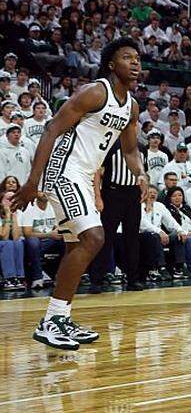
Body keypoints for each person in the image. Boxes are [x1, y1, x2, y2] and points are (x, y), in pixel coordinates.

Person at [10, 38, 146, 350]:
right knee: (93, 238)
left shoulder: (132, 107)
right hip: (63, 170)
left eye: (138, 58)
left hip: (84, 176)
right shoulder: (95, 92)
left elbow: (128, 149)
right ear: (112, 64)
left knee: (75, 246)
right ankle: (51, 321)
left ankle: (60, 316)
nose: (135, 63)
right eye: (128, 57)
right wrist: (32, 181)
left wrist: (140, 173)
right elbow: (51, 130)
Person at [91, 140, 149, 292]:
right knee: (106, 238)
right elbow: (97, 171)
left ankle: (133, 279)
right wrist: (98, 196)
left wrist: (145, 189)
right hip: (112, 193)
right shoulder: (110, 145)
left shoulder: (142, 147)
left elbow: (144, 173)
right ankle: (97, 280)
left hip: (133, 194)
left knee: (132, 238)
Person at [18, 190, 60, 289]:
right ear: (35, 193)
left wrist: (58, 230)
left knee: (66, 241)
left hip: (49, 240)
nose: (45, 194)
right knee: (33, 242)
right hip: (33, 240)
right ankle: (38, 278)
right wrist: (49, 234)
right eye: (42, 191)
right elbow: (27, 233)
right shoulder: (29, 207)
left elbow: (57, 226)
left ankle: (61, 276)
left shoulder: (53, 205)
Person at [140, 185, 180, 281]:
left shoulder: (160, 206)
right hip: (143, 235)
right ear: (144, 194)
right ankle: (161, 267)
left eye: (155, 193)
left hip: (160, 236)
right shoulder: (139, 205)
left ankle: (179, 267)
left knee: (177, 235)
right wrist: (159, 231)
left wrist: (180, 230)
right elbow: (142, 224)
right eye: (150, 192)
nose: (153, 194)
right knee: (154, 237)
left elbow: (170, 221)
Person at [1, 189, 26, 290]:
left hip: (9, 243)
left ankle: (19, 277)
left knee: (18, 243)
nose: (11, 202)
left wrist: (14, 216)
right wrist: (7, 214)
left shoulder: (18, 213)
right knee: (8, 243)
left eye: (14, 199)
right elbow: (4, 236)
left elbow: (16, 237)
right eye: (8, 199)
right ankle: (9, 278)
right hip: (3, 242)